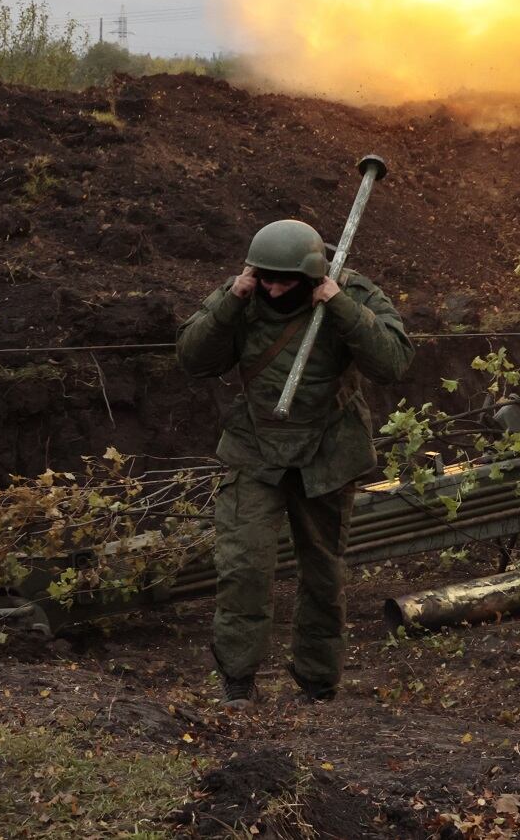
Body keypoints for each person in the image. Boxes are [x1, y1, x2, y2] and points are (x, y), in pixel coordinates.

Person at [176, 218, 412, 706]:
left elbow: (392, 362)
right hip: (255, 450)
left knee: (323, 573)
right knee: (244, 566)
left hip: (328, 452)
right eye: (266, 278)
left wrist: (340, 306)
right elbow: (193, 359)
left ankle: (318, 683)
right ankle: (238, 682)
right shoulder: (241, 294)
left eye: (286, 281)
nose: (274, 288)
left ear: (310, 275)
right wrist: (231, 301)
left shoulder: (352, 292)